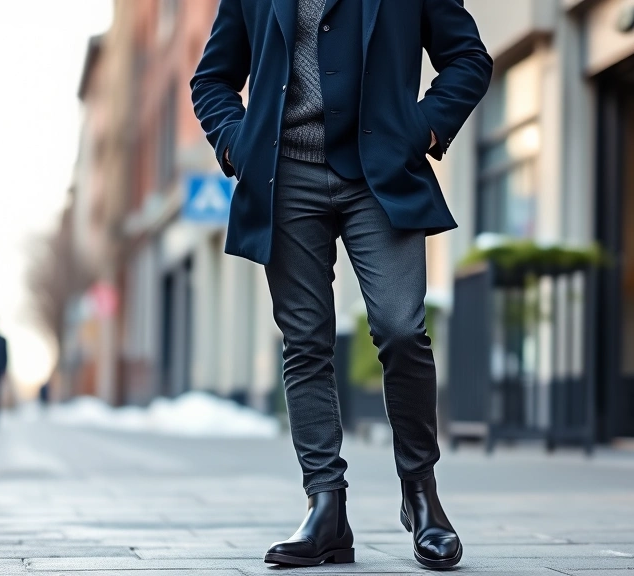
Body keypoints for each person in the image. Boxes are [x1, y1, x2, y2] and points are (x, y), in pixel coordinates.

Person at [191, 0, 491, 569]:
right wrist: (235, 143)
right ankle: (325, 507)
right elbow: (213, 78)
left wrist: (425, 127)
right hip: (286, 179)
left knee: (401, 329)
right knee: (305, 343)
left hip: (379, 174)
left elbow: (468, 57)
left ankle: (421, 495)